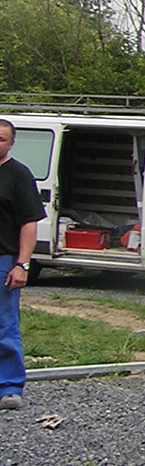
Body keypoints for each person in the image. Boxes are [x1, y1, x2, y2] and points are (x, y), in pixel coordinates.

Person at [0, 118, 45, 410]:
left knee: (4, 325)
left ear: (12, 143)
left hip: (3, 260)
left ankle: (9, 387)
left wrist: (22, 264)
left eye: (1, 139)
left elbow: (29, 223)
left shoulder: (18, 175)